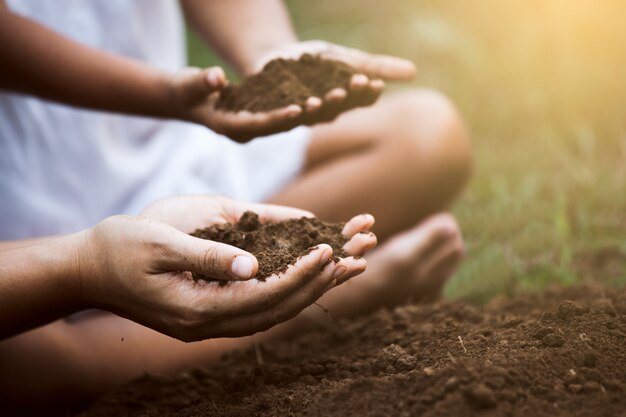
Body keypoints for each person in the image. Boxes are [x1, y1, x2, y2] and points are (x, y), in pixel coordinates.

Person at [0, 0, 471, 409]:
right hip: (31, 213)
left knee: (427, 135)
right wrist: (89, 264)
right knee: (23, 368)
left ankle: (187, 294)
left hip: (174, 151)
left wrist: (270, 54)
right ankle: (330, 301)